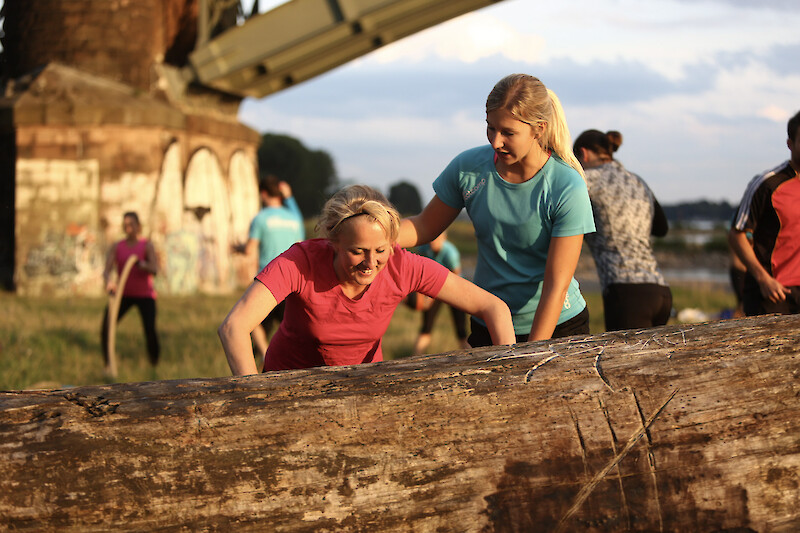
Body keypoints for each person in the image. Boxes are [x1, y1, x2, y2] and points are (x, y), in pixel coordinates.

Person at [219, 185, 516, 375]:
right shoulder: (300, 262)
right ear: (333, 240)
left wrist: (511, 379)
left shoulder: (403, 265)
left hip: (364, 388)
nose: (370, 263)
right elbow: (234, 327)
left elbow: (493, 308)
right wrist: (257, 399)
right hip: (289, 388)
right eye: (357, 251)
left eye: (380, 250)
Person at [399, 74, 595, 345]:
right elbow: (423, 227)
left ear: (539, 128)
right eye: (491, 128)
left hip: (557, 329)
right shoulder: (468, 168)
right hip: (487, 324)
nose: (496, 141)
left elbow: (556, 286)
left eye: (508, 133)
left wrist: (528, 355)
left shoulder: (566, 186)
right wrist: (371, 234)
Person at [573, 129, 672, 331]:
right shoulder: (637, 180)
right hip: (660, 291)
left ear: (583, 154)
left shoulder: (586, 179)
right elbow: (661, 228)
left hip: (626, 292)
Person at [728, 109, 800, 316]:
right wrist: (763, 279)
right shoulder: (767, 184)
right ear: (790, 144)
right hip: (773, 294)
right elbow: (737, 234)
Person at [241, 175, 305, 357]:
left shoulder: (260, 218)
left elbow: (249, 250)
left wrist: (237, 247)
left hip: (267, 282)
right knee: (291, 327)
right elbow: (301, 243)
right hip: (293, 283)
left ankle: (265, 354)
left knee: (250, 323)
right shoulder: (294, 218)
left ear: (263, 194)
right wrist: (290, 197)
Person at [101, 211, 160, 367]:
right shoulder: (117, 246)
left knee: (150, 330)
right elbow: (106, 270)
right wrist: (109, 281)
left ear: (138, 226)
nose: (128, 228)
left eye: (131, 224)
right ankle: (108, 364)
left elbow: (155, 269)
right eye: (125, 225)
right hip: (123, 294)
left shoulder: (146, 245)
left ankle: (154, 364)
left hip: (145, 296)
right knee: (107, 325)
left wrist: (143, 265)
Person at [412, 231, 470, 355]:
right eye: (432, 238)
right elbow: (419, 268)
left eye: (437, 238)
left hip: (455, 289)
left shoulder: (450, 253)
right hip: (432, 288)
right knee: (426, 327)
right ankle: (414, 359)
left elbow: (456, 276)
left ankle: (471, 357)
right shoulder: (424, 248)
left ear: (444, 238)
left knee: (461, 331)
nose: (433, 241)